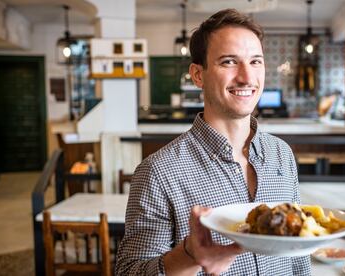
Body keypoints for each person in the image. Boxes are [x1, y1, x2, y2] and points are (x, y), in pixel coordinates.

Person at [116, 9, 311, 275]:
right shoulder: (158, 172)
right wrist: (188, 256)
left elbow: (298, 257)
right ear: (198, 75)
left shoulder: (282, 154)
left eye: (255, 61)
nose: (246, 77)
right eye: (229, 62)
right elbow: (129, 271)